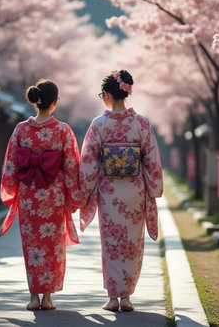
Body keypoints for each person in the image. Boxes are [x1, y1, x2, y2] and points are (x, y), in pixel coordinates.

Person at [79, 70, 163, 312]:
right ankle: (126, 297)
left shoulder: (99, 124)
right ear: (127, 92)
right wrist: (154, 188)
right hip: (135, 191)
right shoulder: (141, 123)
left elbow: (88, 162)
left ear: (106, 94)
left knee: (112, 243)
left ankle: (113, 298)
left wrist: (82, 191)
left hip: (109, 192)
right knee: (132, 243)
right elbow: (152, 160)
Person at [0, 79, 82, 311]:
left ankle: (33, 298)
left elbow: (11, 165)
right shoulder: (63, 130)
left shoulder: (20, 129)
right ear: (54, 103)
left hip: (28, 195)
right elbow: (71, 166)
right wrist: (74, 197)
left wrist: (12, 190)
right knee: (53, 245)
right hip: (53, 196)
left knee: (32, 245)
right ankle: (47, 298)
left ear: (36, 101)